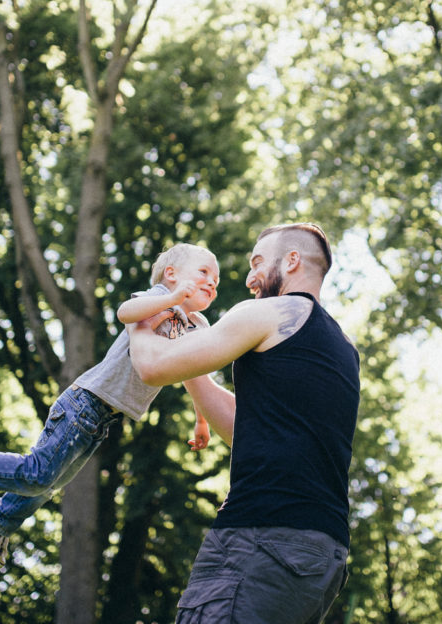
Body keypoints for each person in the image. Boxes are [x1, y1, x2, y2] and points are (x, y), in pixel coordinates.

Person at [0, 243, 219, 569]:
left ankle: (0, 518)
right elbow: (125, 312)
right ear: (171, 275)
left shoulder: (198, 327)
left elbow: (197, 372)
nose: (212, 282)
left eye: (217, 280)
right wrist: (172, 299)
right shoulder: (158, 298)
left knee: (49, 483)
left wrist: (202, 420)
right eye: (203, 272)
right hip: (86, 403)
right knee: (39, 475)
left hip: (103, 418)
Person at [130, 222, 360, 624]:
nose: (250, 276)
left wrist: (144, 316)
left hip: (260, 539)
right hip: (321, 557)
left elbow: (150, 367)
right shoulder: (342, 348)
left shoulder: (269, 313)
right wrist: (192, 366)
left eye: (258, 262)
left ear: (291, 261)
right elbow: (247, 429)